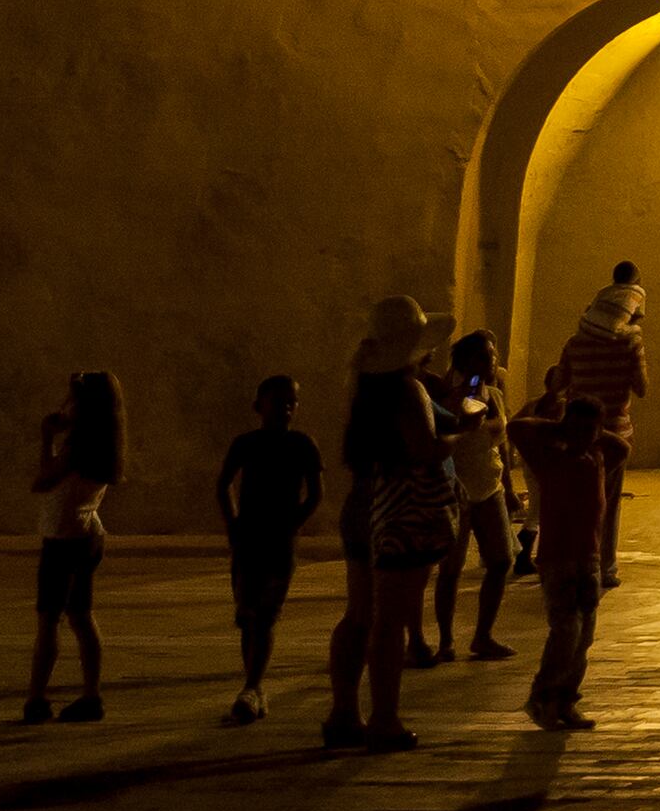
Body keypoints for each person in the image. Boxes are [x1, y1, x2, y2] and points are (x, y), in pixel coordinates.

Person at [323, 295, 445, 751]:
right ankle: (385, 719)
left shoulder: (361, 386)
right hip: (400, 507)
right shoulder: (407, 391)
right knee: (390, 620)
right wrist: (462, 432)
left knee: (358, 614)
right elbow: (425, 450)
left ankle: (342, 713)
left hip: (361, 499)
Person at [508, 383, 618, 730]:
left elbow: (623, 446)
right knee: (566, 630)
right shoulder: (550, 458)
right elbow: (517, 427)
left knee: (584, 633)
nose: (583, 434)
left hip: (588, 557)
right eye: (577, 426)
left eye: (591, 428)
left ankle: (567, 699)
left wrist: (594, 434)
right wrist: (558, 427)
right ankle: (544, 697)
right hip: (558, 558)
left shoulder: (598, 456)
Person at [213, 374, 321, 725]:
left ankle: (252, 685)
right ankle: (253, 686)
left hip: (278, 543)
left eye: (292, 401)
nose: (286, 408)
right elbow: (223, 484)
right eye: (278, 401)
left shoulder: (303, 444)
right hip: (249, 540)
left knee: (265, 614)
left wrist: (293, 523)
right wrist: (233, 525)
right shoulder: (246, 444)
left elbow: (316, 494)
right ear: (259, 405)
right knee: (248, 615)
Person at [19, 369, 121, 724]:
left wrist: (46, 437)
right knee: (81, 616)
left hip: (63, 539)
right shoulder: (105, 441)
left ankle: (36, 698)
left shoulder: (77, 447)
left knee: (49, 620)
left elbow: (42, 481)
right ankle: (91, 696)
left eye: (73, 400)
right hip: (89, 532)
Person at [429, 329, 518, 664]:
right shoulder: (450, 396)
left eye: (492, 355)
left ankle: (483, 635)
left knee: (501, 560)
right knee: (450, 568)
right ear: (466, 361)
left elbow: (503, 444)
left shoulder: (494, 394)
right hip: (458, 489)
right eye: (485, 355)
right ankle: (446, 640)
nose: (492, 360)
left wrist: (508, 488)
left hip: (489, 484)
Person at [558, 264, 649, 572]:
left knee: (576, 500)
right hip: (615, 431)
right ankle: (603, 565)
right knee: (607, 504)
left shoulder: (575, 342)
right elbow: (642, 388)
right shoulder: (630, 343)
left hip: (575, 432)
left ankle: (570, 560)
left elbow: (558, 382)